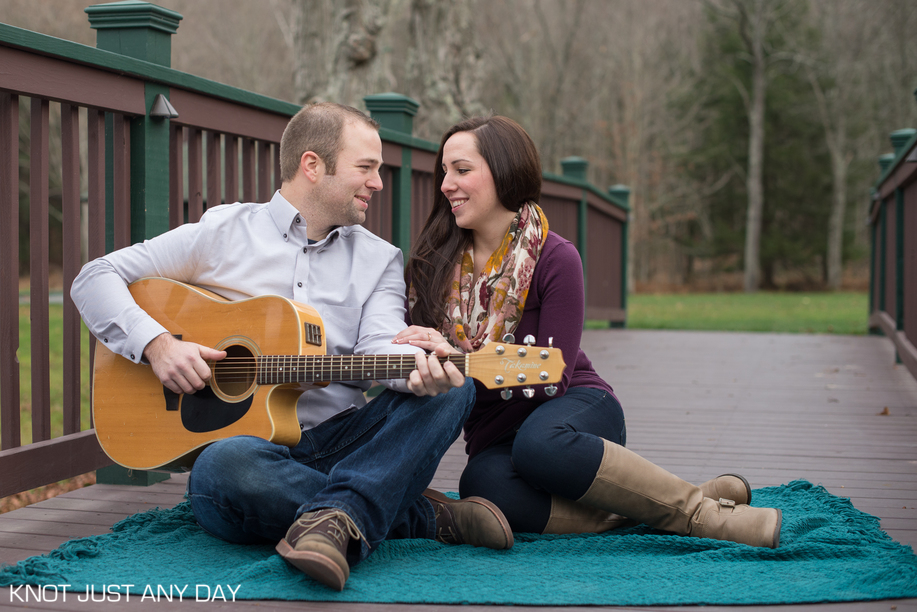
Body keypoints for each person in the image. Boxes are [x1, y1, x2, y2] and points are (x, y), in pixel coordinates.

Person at [70, 103, 514, 592]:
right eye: (365, 168)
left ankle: (343, 511)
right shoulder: (223, 232)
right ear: (312, 166)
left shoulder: (380, 259)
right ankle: (413, 515)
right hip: (253, 454)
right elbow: (96, 277)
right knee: (220, 470)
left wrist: (422, 366)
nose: (378, 183)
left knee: (452, 389)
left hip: (347, 441)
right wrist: (156, 345)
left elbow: (377, 347)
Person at [393, 115, 782, 548]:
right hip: (496, 435)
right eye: (443, 171)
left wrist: (458, 360)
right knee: (482, 487)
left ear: (504, 172)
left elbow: (550, 381)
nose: (446, 183)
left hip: (575, 412)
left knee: (540, 445)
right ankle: (643, 510)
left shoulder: (556, 258)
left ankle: (702, 514)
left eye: (462, 170)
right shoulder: (430, 265)